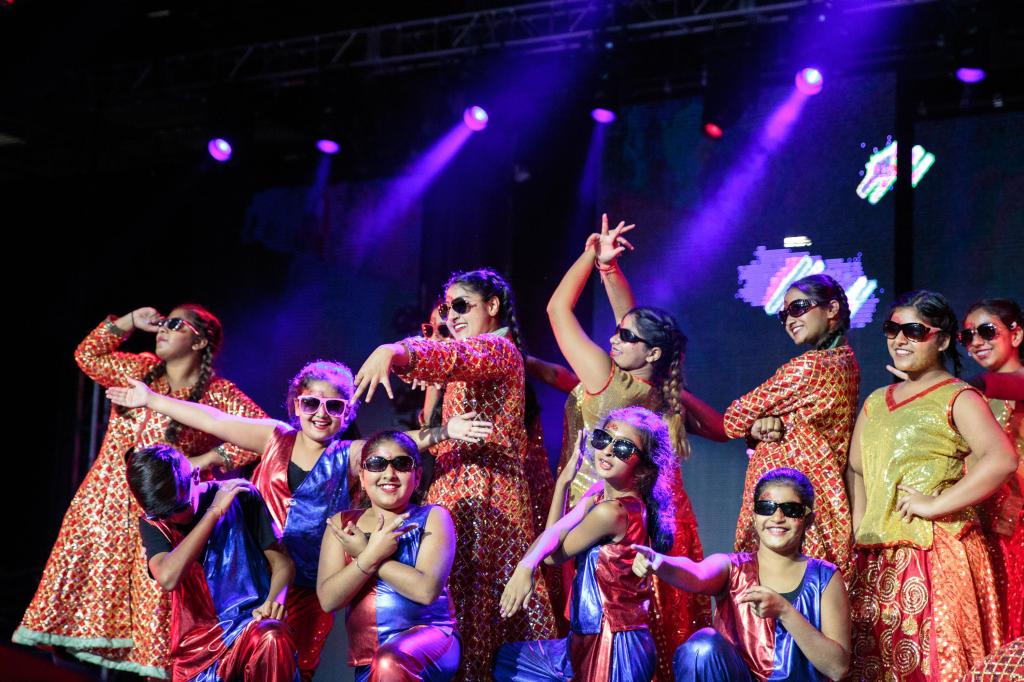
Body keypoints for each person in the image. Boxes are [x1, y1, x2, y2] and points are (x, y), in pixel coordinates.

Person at [106, 360, 488, 681]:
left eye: (334, 406)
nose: (321, 414)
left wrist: (443, 432)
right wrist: (152, 399)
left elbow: (394, 447)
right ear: (296, 404)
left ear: (347, 413)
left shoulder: (349, 455)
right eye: (311, 403)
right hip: (253, 579)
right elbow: (215, 420)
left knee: (290, 669)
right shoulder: (274, 437)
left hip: (307, 588)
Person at [13, 305, 266, 677]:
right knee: (81, 616)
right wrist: (129, 322)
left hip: (158, 516)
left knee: (149, 622)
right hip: (101, 512)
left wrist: (204, 460)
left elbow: (262, 435)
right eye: (162, 322)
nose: (163, 329)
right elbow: (88, 355)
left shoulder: (217, 393)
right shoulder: (140, 369)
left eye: (175, 324)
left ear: (200, 341)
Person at [354, 268, 556, 680]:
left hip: (488, 503)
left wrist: (393, 351)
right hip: (451, 495)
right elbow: (441, 360)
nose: (451, 317)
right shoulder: (468, 352)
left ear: (493, 306)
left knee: (478, 620)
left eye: (461, 306)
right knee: (442, 614)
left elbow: (449, 356)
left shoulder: (499, 351)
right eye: (447, 309)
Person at [546, 215, 722, 678]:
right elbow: (723, 427)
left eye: (622, 338)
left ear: (650, 352)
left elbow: (557, 312)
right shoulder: (661, 389)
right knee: (645, 632)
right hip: (645, 521)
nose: (612, 338)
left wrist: (589, 256)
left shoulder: (608, 379)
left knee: (596, 637)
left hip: (592, 520)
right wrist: (609, 270)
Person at [847, 290, 1018, 679]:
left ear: (941, 339)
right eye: (892, 329)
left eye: (913, 331)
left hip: (933, 553)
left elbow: (1001, 459)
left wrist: (935, 505)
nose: (899, 339)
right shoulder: (876, 400)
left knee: (935, 665)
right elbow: (857, 469)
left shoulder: (957, 396)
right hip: (876, 558)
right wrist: (861, 525)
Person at [494, 406, 678, 682]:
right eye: (604, 439)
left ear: (643, 464)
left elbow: (552, 556)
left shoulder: (611, 512)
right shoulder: (599, 498)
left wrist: (527, 565)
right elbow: (555, 536)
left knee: (506, 663)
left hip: (614, 644)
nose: (608, 451)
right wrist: (563, 484)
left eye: (624, 448)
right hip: (589, 636)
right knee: (506, 661)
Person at [635, 468, 850, 681]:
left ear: (808, 519)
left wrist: (785, 611)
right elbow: (697, 573)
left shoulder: (825, 577)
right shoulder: (732, 568)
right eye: (766, 507)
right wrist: (660, 563)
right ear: (754, 516)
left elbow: (837, 668)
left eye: (791, 509)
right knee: (701, 648)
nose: (777, 517)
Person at [722, 275, 859, 578]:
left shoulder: (809, 367)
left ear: (832, 308)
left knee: (775, 591)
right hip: (817, 497)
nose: (789, 319)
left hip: (788, 502)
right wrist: (762, 427)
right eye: (784, 314)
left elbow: (732, 418)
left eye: (798, 308)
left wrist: (757, 423)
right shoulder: (847, 361)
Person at [127, 444, 298, 682]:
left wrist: (273, 602)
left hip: (249, 625)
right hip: (197, 649)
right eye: (164, 514)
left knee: (272, 638)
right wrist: (215, 512)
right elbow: (167, 577)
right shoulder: (154, 522)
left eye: (180, 507)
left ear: (195, 475)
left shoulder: (241, 495)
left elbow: (283, 564)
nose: (174, 518)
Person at [317, 431, 459, 682]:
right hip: (368, 658)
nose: (389, 473)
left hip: (430, 642)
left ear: (417, 477)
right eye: (376, 464)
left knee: (389, 661)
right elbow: (328, 600)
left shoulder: (434, 517)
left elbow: (426, 591)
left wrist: (367, 553)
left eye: (402, 464)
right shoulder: (342, 524)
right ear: (362, 476)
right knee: (384, 664)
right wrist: (369, 556)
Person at [960, 298, 1024, 642]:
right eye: (967, 336)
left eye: (986, 332)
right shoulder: (972, 397)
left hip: (1017, 532)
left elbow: (1011, 384)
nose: (976, 343)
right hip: (978, 527)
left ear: (1016, 334)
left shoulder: (983, 389)